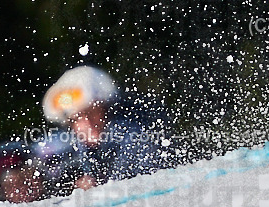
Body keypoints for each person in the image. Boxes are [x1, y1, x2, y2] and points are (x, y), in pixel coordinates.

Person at [42, 66, 173, 186]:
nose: (87, 123)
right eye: (75, 119)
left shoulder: (133, 137)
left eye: (91, 113)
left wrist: (98, 185)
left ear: (107, 110)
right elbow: (43, 156)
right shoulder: (74, 146)